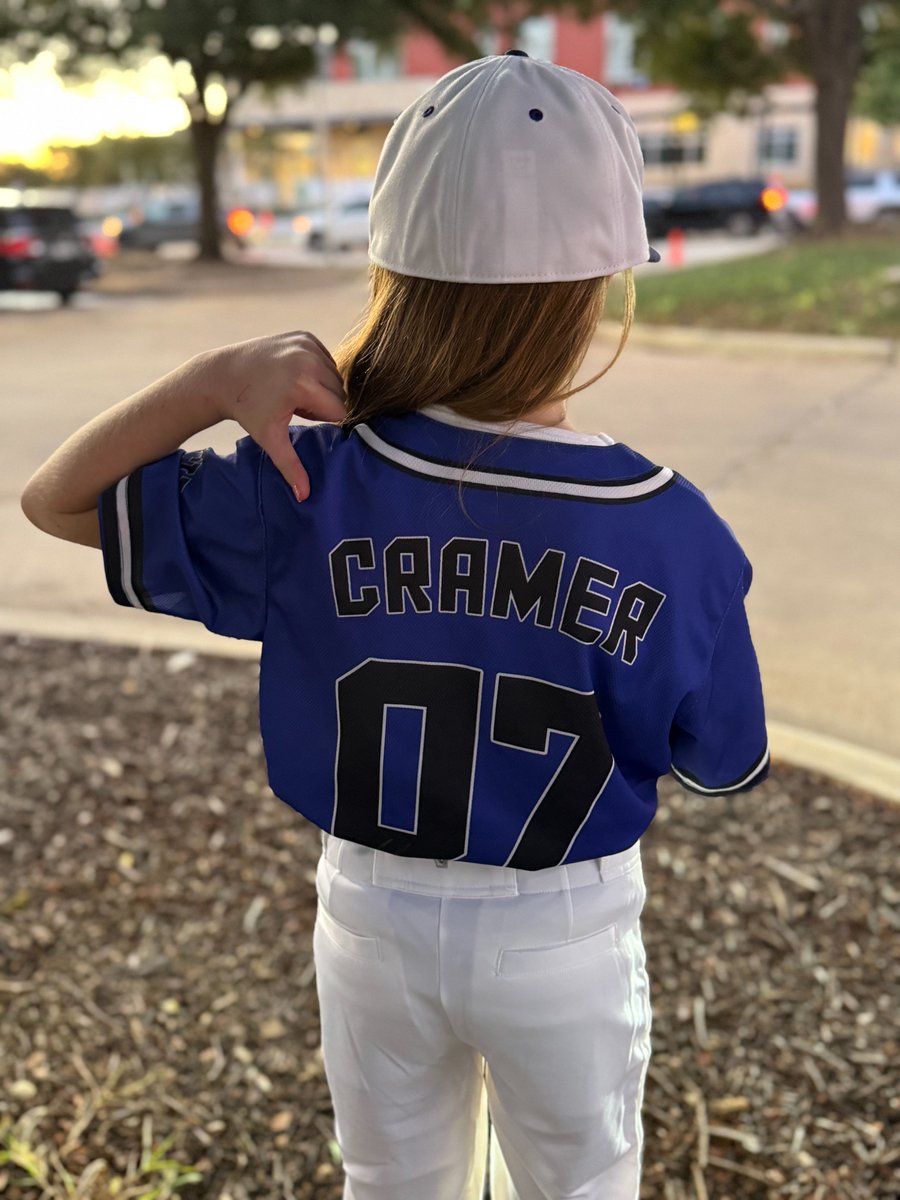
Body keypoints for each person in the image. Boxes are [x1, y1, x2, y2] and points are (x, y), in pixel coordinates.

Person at [21, 51, 768, 1200]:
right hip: (559, 929)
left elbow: (57, 498)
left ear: (392, 265)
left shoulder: (303, 478)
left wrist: (218, 378)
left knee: (391, 1183)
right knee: (581, 1186)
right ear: (602, 283)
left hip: (369, 916)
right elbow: (719, 755)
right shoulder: (669, 527)